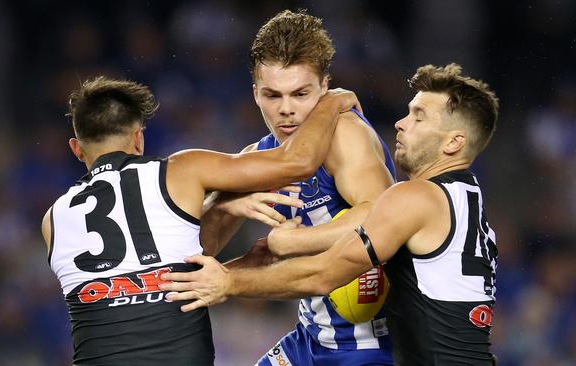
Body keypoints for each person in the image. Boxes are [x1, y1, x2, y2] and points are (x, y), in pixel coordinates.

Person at [162, 63, 500, 365]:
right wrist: (224, 206)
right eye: (408, 112)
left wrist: (233, 278)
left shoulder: (415, 197)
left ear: (454, 143)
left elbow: (323, 275)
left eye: (418, 117)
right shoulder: (467, 198)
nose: (400, 123)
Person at [40, 76, 359, 365]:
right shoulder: (180, 171)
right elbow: (298, 161)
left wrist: (223, 215)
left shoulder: (52, 220)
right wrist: (330, 101)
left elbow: (134, 291)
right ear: (139, 138)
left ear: (77, 150)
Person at [197, 9, 396, 366]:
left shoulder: (344, 136)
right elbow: (201, 248)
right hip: (309, 339)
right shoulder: (260, 156)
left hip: (371, 346)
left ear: (325, 86)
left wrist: (290, 242)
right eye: (273, 96)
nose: (286, 110)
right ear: (255, 93)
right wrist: (226, 205)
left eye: (301, 94)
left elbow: (384, 216)